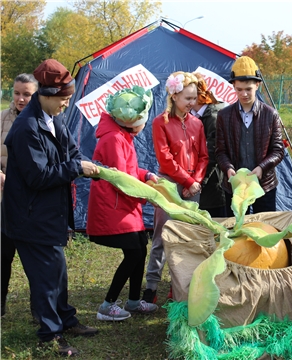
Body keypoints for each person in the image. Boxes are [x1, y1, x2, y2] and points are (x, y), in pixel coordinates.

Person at [0, 59, 99, 356]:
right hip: (29, 217)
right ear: (47, 94)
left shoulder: (53, 119)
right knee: (45, 279)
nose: (66, 105)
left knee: (58, 272)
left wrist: (86, 164)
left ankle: (67, 320)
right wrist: (74, 168)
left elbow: (71, 151)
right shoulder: (26, 128)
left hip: (50, 213)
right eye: (64, 99)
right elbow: (38, 176)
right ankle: (50, 335)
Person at [87, 85, 159, 321]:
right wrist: (148, 195)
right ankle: (107, 305)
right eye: (142, 123)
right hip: (114, 207)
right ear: (132, 122)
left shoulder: (121, 136)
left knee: (139, 247)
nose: (143, 127)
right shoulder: (114, 139)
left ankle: (134, 300)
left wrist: (146, 174)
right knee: (133, 253)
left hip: (125, 206)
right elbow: (122, 181)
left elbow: (128, 169)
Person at [142, 71, 209, 304]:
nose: (192, 103)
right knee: (162, 235)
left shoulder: (197, 123)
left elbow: (203, 156)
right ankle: (151, 286)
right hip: (170, 185)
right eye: (188, 98)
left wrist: (196, 182)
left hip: (193, 187)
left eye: (194, 98)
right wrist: (188, 182)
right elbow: (165, 158)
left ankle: (178, 286)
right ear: (174, 96)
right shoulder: (160, 122)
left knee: (188, 238)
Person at [215, 56, 285, 216]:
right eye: (239, 89)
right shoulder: (223, 115)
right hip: (235, 186)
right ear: (233, 86)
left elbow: (278, 150)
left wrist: (262, 168)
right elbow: (220, 151)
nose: (244, 94)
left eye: (248, 89)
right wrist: (228, 169)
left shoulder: (271, 115)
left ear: (257, 85)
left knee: (264, 228)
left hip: (264, 185)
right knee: (237, 232)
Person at [1, 73, 38, 317]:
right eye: (17, 93)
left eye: (27, 94)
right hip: (4, 200)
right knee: (3, 255)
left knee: (35, 259)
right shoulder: (3, 118)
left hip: (31, 202)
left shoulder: (40, 120)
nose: (20, 99)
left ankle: (40, 310)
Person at [192, 73, 227, 218]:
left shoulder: (213, 117)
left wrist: (199, 181)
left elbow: (212, 153)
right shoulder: (190, 115)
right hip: (195, 182)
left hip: (211, 184)